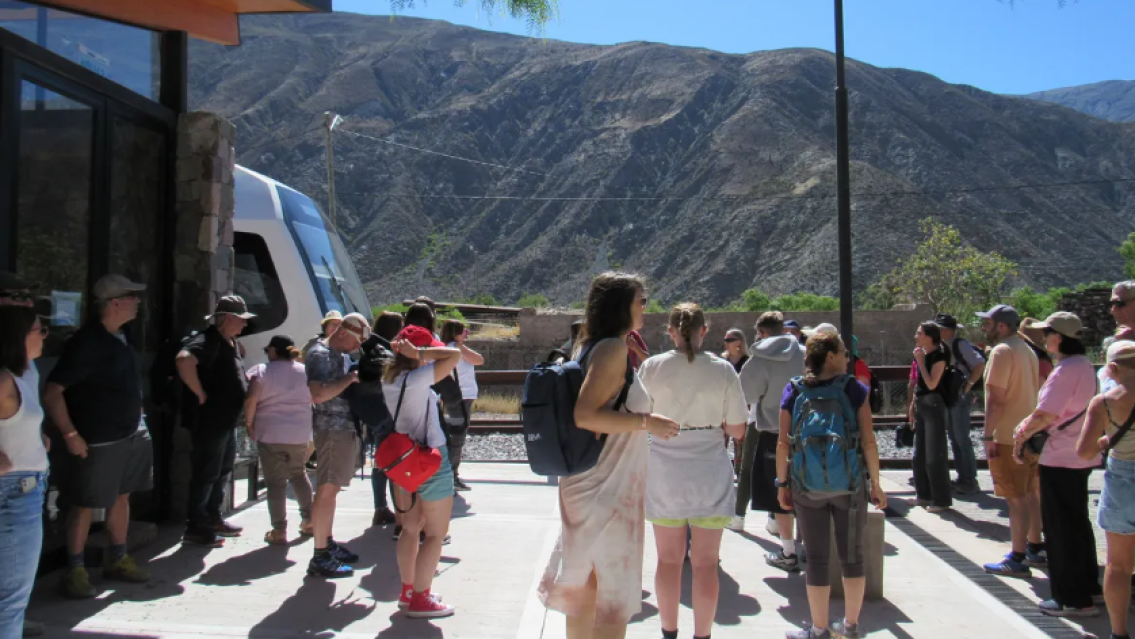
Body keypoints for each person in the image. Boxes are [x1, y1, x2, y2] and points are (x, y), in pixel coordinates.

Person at [539, 272, 679, 639]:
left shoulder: (591, 346)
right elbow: (585, 415)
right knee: (612, 596)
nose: (645, 308)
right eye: (641, 301)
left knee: (586, 587)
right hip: (607, 487)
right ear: (622, 305)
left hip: (592, 482)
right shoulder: (612, 350)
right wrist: (648, 422)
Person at [639, 303, 748, 639]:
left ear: (671, 332)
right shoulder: (724, 370)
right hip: (710, 472)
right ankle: (702, 635)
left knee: (668, 561)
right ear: (705, 331)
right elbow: (738, 429)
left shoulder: (651, 367)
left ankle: (668, 632)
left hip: (664, 472)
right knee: (705, 564)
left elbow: (636, 418)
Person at [43, 275, 153, 598]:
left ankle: (118, 559)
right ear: (114, 303)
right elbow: (53, 392)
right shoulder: (87, 343)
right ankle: (74, 570)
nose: (138, 302)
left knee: (123, 496)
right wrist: (70, 434)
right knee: (84, 503)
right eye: (132, 297)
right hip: (99, 438)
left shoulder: (122, 335)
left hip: (131, 433)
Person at [777, 333, 887, 639]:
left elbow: (783, 443)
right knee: (852, 557)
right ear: (829, 357)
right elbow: (868, 441)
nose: (847, 358)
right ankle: (851, 627)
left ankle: (819, 629)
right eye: (843, 352)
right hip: (850, 486)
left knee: (816, 558)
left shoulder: (794, 389)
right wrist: (875, 483)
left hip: (805, 485)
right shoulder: (854, 389)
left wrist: (782, 483)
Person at [1009, 312, 1101, 616]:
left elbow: (1046, 413)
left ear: (1058, 337)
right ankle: (1089, 587)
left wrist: (1021, 434)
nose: (1043, 338)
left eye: (1046, 333)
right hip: (1080, 455)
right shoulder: (1085, 367)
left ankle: (1072, 599)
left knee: (1060, 529)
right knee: (1077, 523)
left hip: (1060, 456)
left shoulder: (1064, 372)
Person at [382, 325, 462, 618]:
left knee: (410, 527)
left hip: (403, 463)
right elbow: (454, 355)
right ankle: (421, 598)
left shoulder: (390, 379)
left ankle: (408, 591)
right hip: (429, 461)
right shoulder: (417, 380)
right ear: (414, 351)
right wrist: (421, 353)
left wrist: (413, 352)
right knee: (435, 534)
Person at [176, 295, 253, 547]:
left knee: (221, 472)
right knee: (207, 473)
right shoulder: (206, 340)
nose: (244, 325)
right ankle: (197, 526)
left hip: (226, 422)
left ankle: (213, 517)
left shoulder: (229, 342)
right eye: (241, 320)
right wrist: (199, 392)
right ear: (228, 318)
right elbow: (184, 359)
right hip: (210, 421)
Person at [733, 312, 806, 574]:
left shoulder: (759, 359)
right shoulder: (804, 351)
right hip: (808, 432)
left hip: (773, 433)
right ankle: (808, 547)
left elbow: (746, 395)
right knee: (806, 491)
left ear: (761, 332)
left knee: (781, 493)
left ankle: (788, 551)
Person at [977, 304, 1044, 578]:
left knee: (1014, 498)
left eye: (988, 323)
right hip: (1028, 435)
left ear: (1001, 326)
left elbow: (996, 398)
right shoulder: (1027, 350)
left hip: (1007, 437)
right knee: (1029, 493)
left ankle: (1017, 557)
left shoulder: (1002, 352)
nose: (985, 328)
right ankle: (1035, 547)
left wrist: (988, 435)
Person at [1079, 341, 1135, 639]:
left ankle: (1119, 632)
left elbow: (1085, 451)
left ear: (1112, 368)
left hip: (1123, 478)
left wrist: (1105, 441)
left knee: (1118, 565)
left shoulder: (1105, 402)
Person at [304, 312, 367, 577]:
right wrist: (350, 379)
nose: (357, 347)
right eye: (356, 341)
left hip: (342, 428)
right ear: (342, 333)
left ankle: (326, 543)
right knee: (327, 490)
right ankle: (320, 555)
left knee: (331, 490)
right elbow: (317, 394)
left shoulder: (339, 355)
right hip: (331, 429)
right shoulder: (319, 354)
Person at [0, 306, 47, 639]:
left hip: (24, 491)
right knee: (9, 603)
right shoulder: (4, 379)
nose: (44, 336)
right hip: (14, 495)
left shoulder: (22, 374)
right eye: (38, 330)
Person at [244, 335, 314, 545]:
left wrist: (249, 423)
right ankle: (309, 520)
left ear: (273, 351)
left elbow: (251, 400)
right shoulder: (305, 372)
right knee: (299, 474)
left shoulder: (261, 371)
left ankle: (279, 530)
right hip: (299, 433)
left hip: (270, 432)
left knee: (275, 483)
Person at [933, 314, 985, 495]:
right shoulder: (945, 346)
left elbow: (979, 363)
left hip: (959, 396)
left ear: (946, 331)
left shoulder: (959, 345)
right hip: (952, 395)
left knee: (961, 437)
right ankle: (963, 477)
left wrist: (968, 386)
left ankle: (969, 479)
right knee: (955, 437)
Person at [911, 322, 953, 512]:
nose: (916, 336)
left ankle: (941, 499)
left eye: (919, 333)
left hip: (934, 405)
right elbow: (919, 385)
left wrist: (920, 362)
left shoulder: (939, 356)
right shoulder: (924, 354)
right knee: (919, 453)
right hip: (921, 404)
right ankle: (924, 494)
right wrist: (912, 405)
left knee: (934, 454)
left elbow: (931, 384)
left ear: (929, 336)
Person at [367, 311, 404, 527]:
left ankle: (380, 507)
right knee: (395, 462)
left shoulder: (370, 351)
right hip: (392, 414)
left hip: (375, 413)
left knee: (380, 462)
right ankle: (400, 510)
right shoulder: (390, 354)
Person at [441, 319, 482, 492]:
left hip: (459, 396)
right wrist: (460, 345)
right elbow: (479, 360)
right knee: (457, 437)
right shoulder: (455, 348)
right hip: (460, 398)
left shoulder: (450, 347)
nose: (467, 334)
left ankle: (450, 474)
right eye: (463, 331)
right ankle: (451, 475)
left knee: (454, 436)